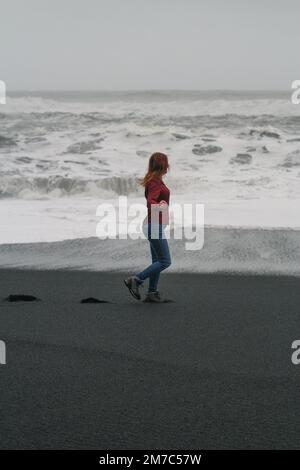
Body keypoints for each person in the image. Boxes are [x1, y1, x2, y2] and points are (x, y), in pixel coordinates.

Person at [124, 152, 172, 303]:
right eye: (167, 163)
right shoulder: (154, 183)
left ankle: (152, 292)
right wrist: (162, 205)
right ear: (163, 165)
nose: (168, 166)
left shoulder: (156, 180)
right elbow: (150, 201)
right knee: (165, 261)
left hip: (154, 224)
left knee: (157, 261)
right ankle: (136, 280)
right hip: (153, 225)